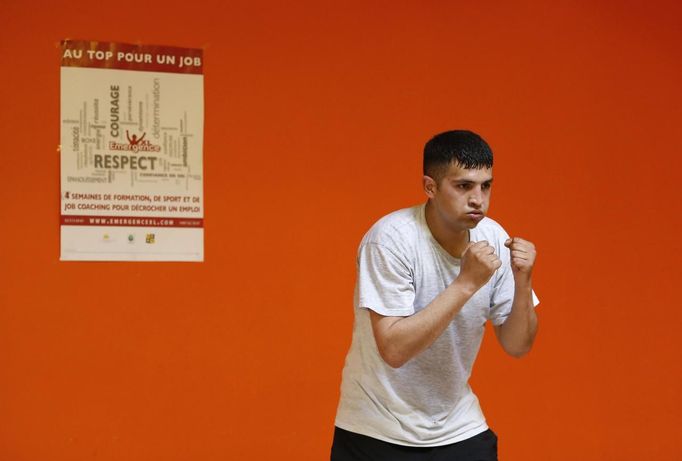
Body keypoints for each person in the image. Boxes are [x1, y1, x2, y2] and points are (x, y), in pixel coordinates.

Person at [331, 130, 540, 461]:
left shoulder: (494, 238)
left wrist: (524, 282)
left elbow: (517, 345)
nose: (478, 199)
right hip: (376, 430)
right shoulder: (390, 240)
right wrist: (465, 284)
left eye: (486, 185)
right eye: (463, 186)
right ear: (430, 187)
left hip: (458, 427)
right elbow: (394, 349)